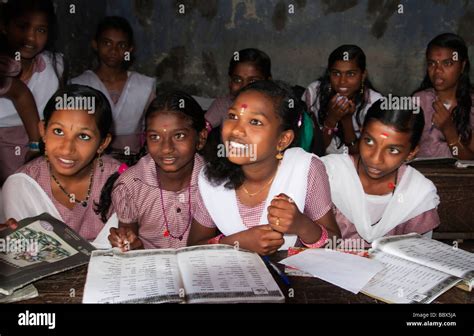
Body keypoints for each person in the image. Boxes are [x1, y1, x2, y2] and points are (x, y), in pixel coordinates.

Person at [188, 80, 340, 255]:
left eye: (255, 122)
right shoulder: (212, 178)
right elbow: (192, 249)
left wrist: (302, 225)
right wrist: (236, 243)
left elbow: (334, 244)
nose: (236, 130)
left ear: (283, 140)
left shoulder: (304, 169)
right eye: (232, 116)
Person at [2, 85, 120, 241]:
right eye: (58, 131)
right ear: (43, 131)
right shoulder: (21, 186)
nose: (66, 149)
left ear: (103, 143)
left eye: (83, 136)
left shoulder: (121, 180)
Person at [320, 99, 440, 248]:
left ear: (411, 153)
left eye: (393, 150)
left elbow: (419, 256)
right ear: (361, 132)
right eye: (369, 141)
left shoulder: (418, 193)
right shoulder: (328, 173)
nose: (376, 159)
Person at [101, 91, 208, 250]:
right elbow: (130, 244)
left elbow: (204, 249)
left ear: (201, 138)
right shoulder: (131, 186)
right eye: (155, 137)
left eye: (179, 136)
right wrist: (128, 244)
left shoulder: (211, 184)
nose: (166, 148)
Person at [0, 0, 64, 183]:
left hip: (39, 155)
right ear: (4, 27)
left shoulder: (53, 68)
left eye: (41, 30)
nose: (31, 37)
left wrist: (37, 146)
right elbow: (20, 94)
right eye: (22, 27)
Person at [71, 16, 155, 154]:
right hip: (90, 160)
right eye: (107, 43)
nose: (114, 50)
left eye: (121, 45)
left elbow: (153, 125)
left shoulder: (143, 86)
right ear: (95, 44)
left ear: (130, 49)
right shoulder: (80, 84)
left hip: (133, 161)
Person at [303, 45, 382, 155]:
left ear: (363, 75)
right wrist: (331, 120)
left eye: (351, 74)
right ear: (329, 74)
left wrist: (347, 121)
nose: (342, 81)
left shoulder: (374, 103)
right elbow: (313, 151)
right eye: (336, 73)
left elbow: (363, 157)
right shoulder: (314, 93)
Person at [413, 33, 474, 159]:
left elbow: (470, 162)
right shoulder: (418, 102)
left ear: (462, 66)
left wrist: (449, 131)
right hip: (422, 176)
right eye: (432, 63)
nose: (437, 70)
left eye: (447, 63)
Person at [205, 48, 271, 128]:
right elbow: (202, 130)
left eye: (253, 81)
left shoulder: (275, 108)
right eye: (237, 80)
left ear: (268, 82)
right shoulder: (223, 104)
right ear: (230, 82)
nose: (244, 87)